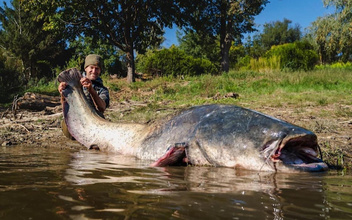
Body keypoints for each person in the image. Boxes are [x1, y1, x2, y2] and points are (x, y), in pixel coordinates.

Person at [58, 54, 110, 139]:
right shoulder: (73, 84)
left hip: (94, 122)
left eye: (97, 69)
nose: (94, 71)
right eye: (91, 68)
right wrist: (62, 93)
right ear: (85, 68)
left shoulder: (103, 89)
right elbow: (65, 104)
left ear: (100, 71)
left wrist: (91, 90)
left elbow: (102, 108)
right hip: (76, 120)